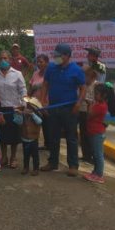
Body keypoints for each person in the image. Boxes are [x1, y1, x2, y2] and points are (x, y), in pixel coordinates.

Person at [41, 43, 85, 177]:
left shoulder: (76, 70)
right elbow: (45, 84)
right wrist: (43, 101)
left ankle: (73, 165)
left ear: (66, 56)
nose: (56, 58)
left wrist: (78, 103)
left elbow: (83, 88)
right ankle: (52, 162)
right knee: (53, 137)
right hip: (53, 108)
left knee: (71, 137)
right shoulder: (51, 68)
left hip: (69, 109)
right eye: (55, 55)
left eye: (58, 56)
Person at [0, 50, 27, 169]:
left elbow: (23, 90)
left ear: (10, 59)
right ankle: (4, 156)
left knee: (14, 136)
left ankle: (13, 157)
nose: (3, 60)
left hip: (14, 108)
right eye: (1, 58)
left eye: (5, 58)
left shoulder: (17, 74)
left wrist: (22, 105)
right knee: (1, 135)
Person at [83, 84, 109, 184]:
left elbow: (89, 115)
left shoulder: (100, 106)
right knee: (95, 153)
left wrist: (89, 105)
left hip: (97, 133)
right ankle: (95, 172)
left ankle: (99, 175)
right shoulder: (98, 104)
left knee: (98, 154)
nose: (95, 95)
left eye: (97, 94)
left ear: (103, 95)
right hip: (94, 132)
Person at [78, 67, 99, 163]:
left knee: (90, 135)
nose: (84, 78)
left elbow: (98, 101)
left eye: (86, 76)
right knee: (83, 134)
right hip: (81, 111)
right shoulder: (82, 85)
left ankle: (92, 156)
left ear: (93, 76)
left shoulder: (97, 86)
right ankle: (85, 155)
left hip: (91, 113)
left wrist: (88, 101)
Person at [29, 54, 49, 149]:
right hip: (34, 104)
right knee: (34, 124)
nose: (39, 64)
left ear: (47, 63)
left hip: (46, 104)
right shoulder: (35, 74)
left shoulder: (50, 74)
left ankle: (48, 144)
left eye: (41, 62)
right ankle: (34, 144)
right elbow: (30, 88)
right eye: (38, 62)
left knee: (47, 125)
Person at [20, 97, 44, 176]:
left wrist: (32, 114)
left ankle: (36, 168)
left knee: (35, 155)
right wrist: (17, 114)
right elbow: (17, 121)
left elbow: (39, 121)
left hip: (34, 139)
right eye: (27, 106)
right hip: (25, 138)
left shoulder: (35, 116)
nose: (27, 108)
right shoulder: (23, 115)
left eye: (29, 107)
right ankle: (26, 167)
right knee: (26, 155)